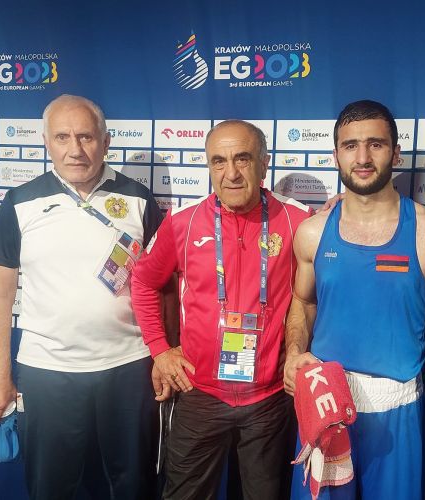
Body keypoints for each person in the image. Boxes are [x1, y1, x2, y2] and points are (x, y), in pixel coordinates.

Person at [0, 95, 162, 499]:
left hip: (128, 368)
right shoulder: (19, 203)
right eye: (62, 137)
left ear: (106, 141)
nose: (75, 149)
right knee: (50, 487)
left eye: (86, 137)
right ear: (46, 142)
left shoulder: (139, 199)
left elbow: (161, 286)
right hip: (48, 372)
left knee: (134, 484)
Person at [283, 100, 425, 499]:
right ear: (336, 155)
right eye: (350, 146)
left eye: (376, 145)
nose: (362, 158)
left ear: (396, 152)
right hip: (325, 407)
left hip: (397, 413)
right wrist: (294, 351)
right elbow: (303, 303)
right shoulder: (312, 233)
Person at [131, 120, 312, 500]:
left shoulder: (300, 222)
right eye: (219, 161)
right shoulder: (182, 223)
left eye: (242, 159)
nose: (230, 173)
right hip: (200, 393)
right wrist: (160, 350)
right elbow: (144, 282)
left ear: (264, 164)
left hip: (269, 398)